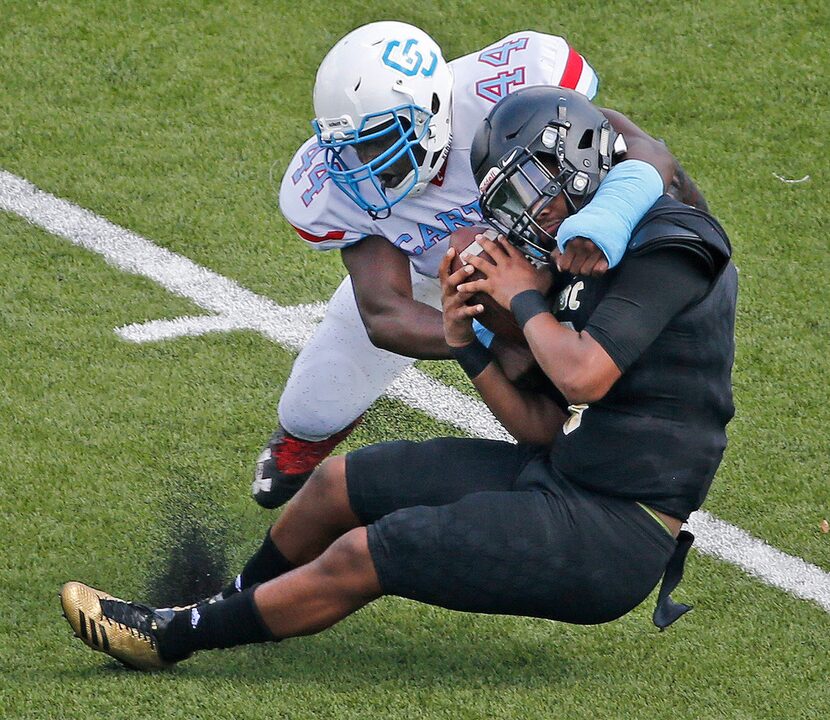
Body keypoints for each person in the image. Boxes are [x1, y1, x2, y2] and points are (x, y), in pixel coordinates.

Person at [60, 86, 736, 671]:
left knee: (370, 553)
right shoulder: (578, 247)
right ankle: (224, 607)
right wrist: (467, 341)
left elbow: (584, 376)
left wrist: (523, 298)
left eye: (530, 188)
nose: (530, 217)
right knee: (339, 484)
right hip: (565, 475)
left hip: (618, 532)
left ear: (577, 158)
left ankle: (168, 637)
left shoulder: (675, 245)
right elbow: (542, 427)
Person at [252, 20, 709, 509]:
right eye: (355, 148)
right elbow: (384, 312)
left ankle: (577, 458)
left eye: (382, 140)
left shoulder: (509, 86)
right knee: (312, 408)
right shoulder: (338, 189)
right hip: (449, 278)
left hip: (574, 238)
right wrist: (486, 338)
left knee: (648, 245)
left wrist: (610, 219)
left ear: (431, 109)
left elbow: (651, 156)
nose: (369, 163)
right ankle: (304, 444)